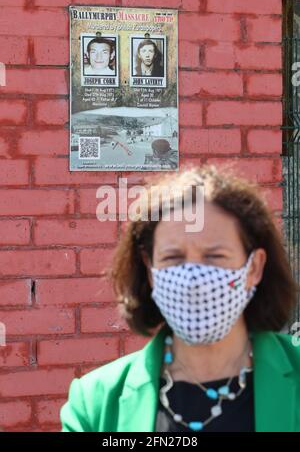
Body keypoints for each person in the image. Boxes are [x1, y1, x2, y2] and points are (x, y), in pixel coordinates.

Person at [60, 165, 300, 432]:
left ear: (254, 267)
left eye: (215, 256)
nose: (193, 280)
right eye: (173, 258)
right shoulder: (95, 402)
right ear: (150, 270)